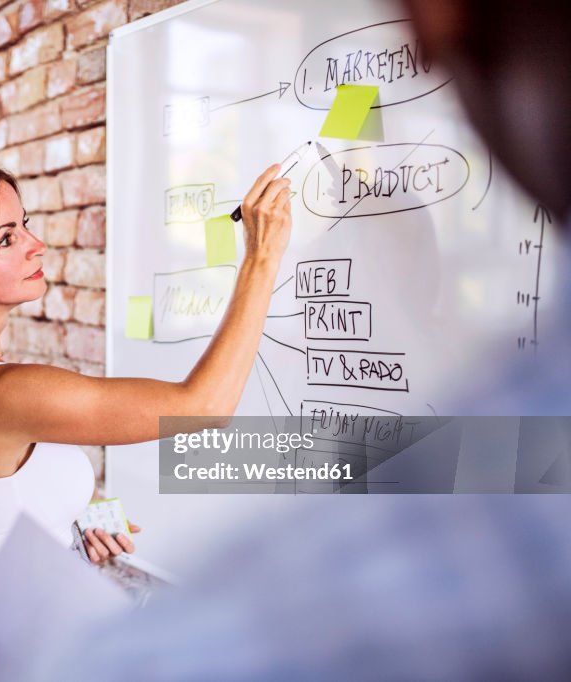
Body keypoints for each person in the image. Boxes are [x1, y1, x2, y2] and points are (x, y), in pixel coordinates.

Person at [43, 1, 571, 678]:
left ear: (435, 23)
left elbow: (201, 408)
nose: (35, 244)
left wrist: (261, 259)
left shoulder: (256, 627)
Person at [0, 162, 292, 605]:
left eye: (25, 225)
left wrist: (63, 527)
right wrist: (262, 257)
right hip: (18, 618)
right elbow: (206, 405)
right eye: (7, 238)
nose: (38, 245)